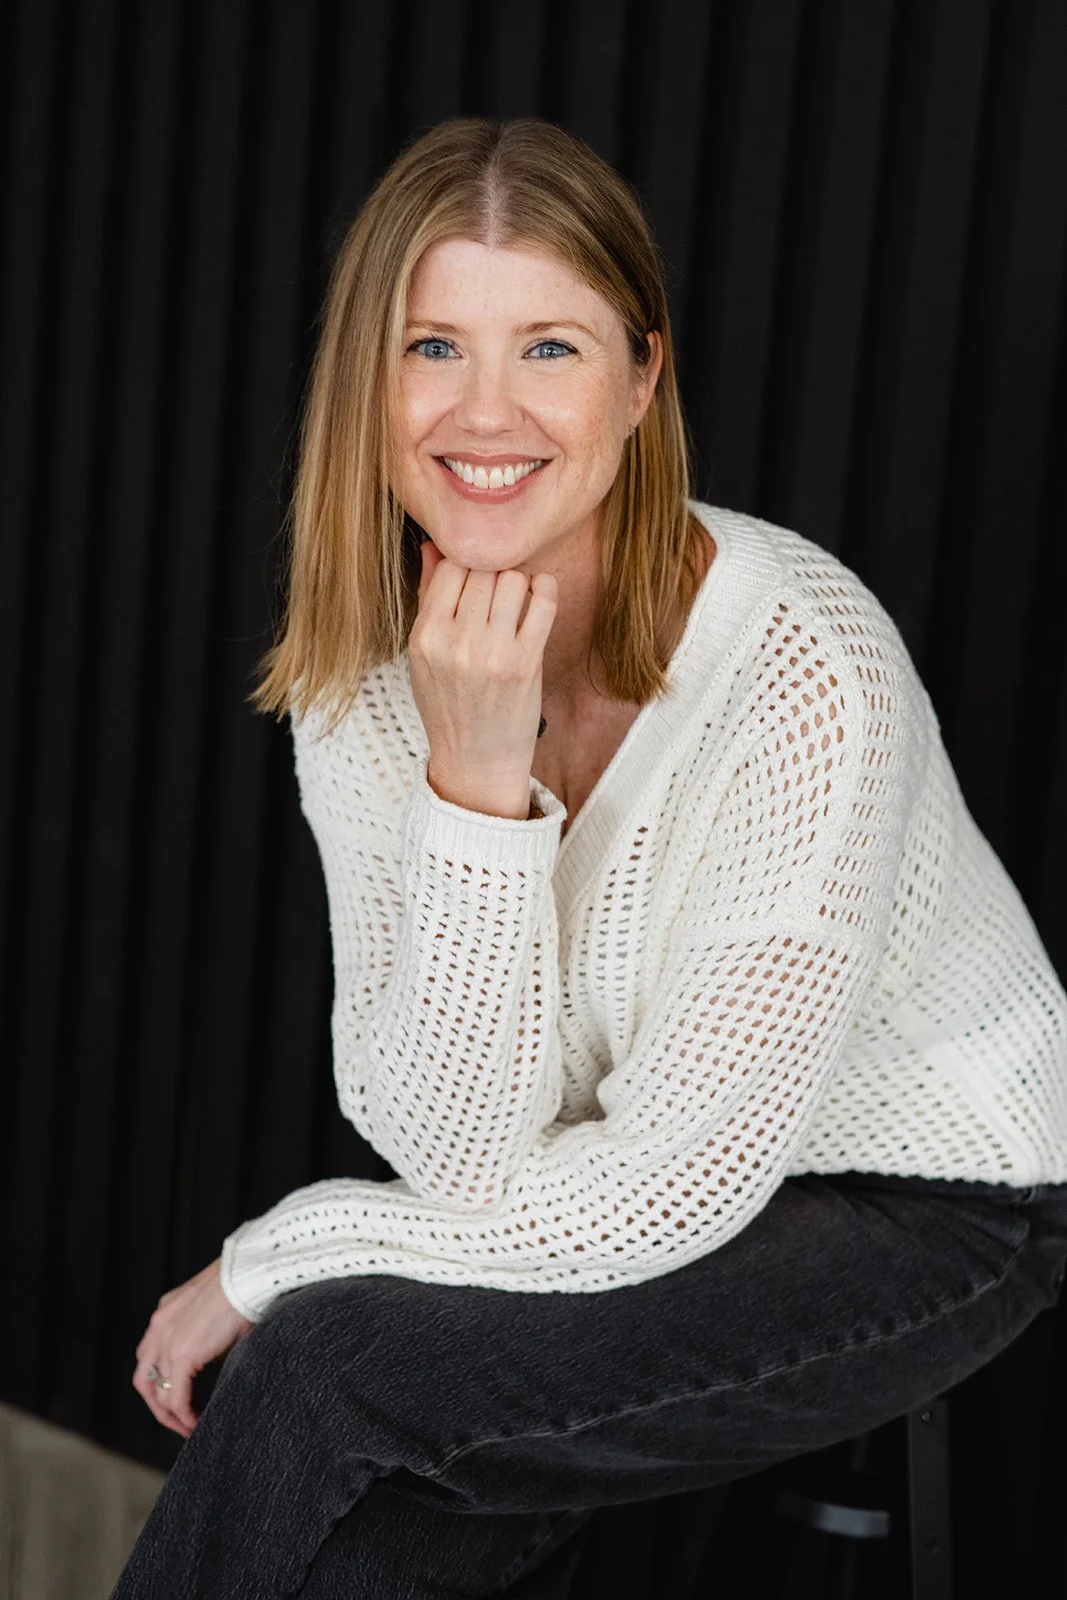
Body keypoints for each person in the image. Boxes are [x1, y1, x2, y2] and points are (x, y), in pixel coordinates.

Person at [113, 116, 1067, 1599]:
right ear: (363, 385)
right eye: (431, 348)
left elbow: (667, 1192)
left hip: (931, 1195)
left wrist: (275, 1255)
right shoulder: (366, 677)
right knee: (376, 1486)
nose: (482, 415)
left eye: (548, 349)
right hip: (597, 1164)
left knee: (327, 1367)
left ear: (641, 381)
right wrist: (474, 784)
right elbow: (456, 1149)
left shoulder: (807, 664)